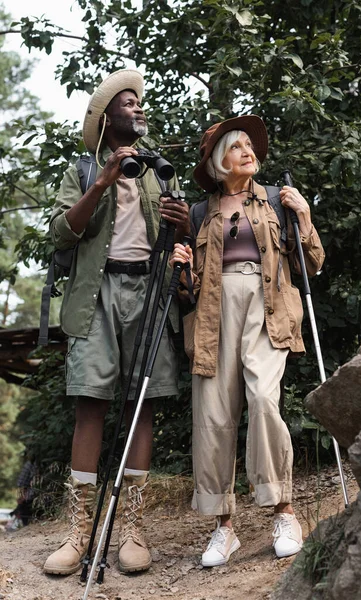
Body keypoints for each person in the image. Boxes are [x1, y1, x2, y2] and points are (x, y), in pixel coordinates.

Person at [43, 69, 189, 576]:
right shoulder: (81, 171)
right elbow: (63, 233)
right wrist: (104, 180)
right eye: (128, 103)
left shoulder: (160, 171)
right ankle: (79, 530)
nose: (139, 107)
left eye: (139, 102)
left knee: (142, 402)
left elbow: (181, 240)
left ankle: (132, 526)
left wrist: (184, 224)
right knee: (90, 401)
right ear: (107, 119)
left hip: (149, 292)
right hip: (96, 294)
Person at [170, 115, 325, 567]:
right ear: (221, 162)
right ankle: (223, 528)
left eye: (249, 147)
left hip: (267, 308)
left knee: (262, 400)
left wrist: (305, 215)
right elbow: (187, 290)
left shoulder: (277, 200)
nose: (248, 152)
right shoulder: (201, 213)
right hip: (213, 317)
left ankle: (284, 511)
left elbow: (311, 264)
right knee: (213, 415)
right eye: (237, 147)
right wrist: (181, 264)